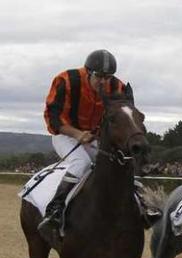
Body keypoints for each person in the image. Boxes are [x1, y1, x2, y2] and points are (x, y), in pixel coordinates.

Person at [39, 49, 127, 241]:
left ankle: (139, 204)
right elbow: (53, 119)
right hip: (65, 134)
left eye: (108, 77)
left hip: (94, 137)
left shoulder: (117, 87)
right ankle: (55, 209)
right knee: (81, 163)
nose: (104, 82)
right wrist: (77, 134)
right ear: (88, 72)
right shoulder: (65, 81)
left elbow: (122, 115)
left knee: (117, 163)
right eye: (99, 77)